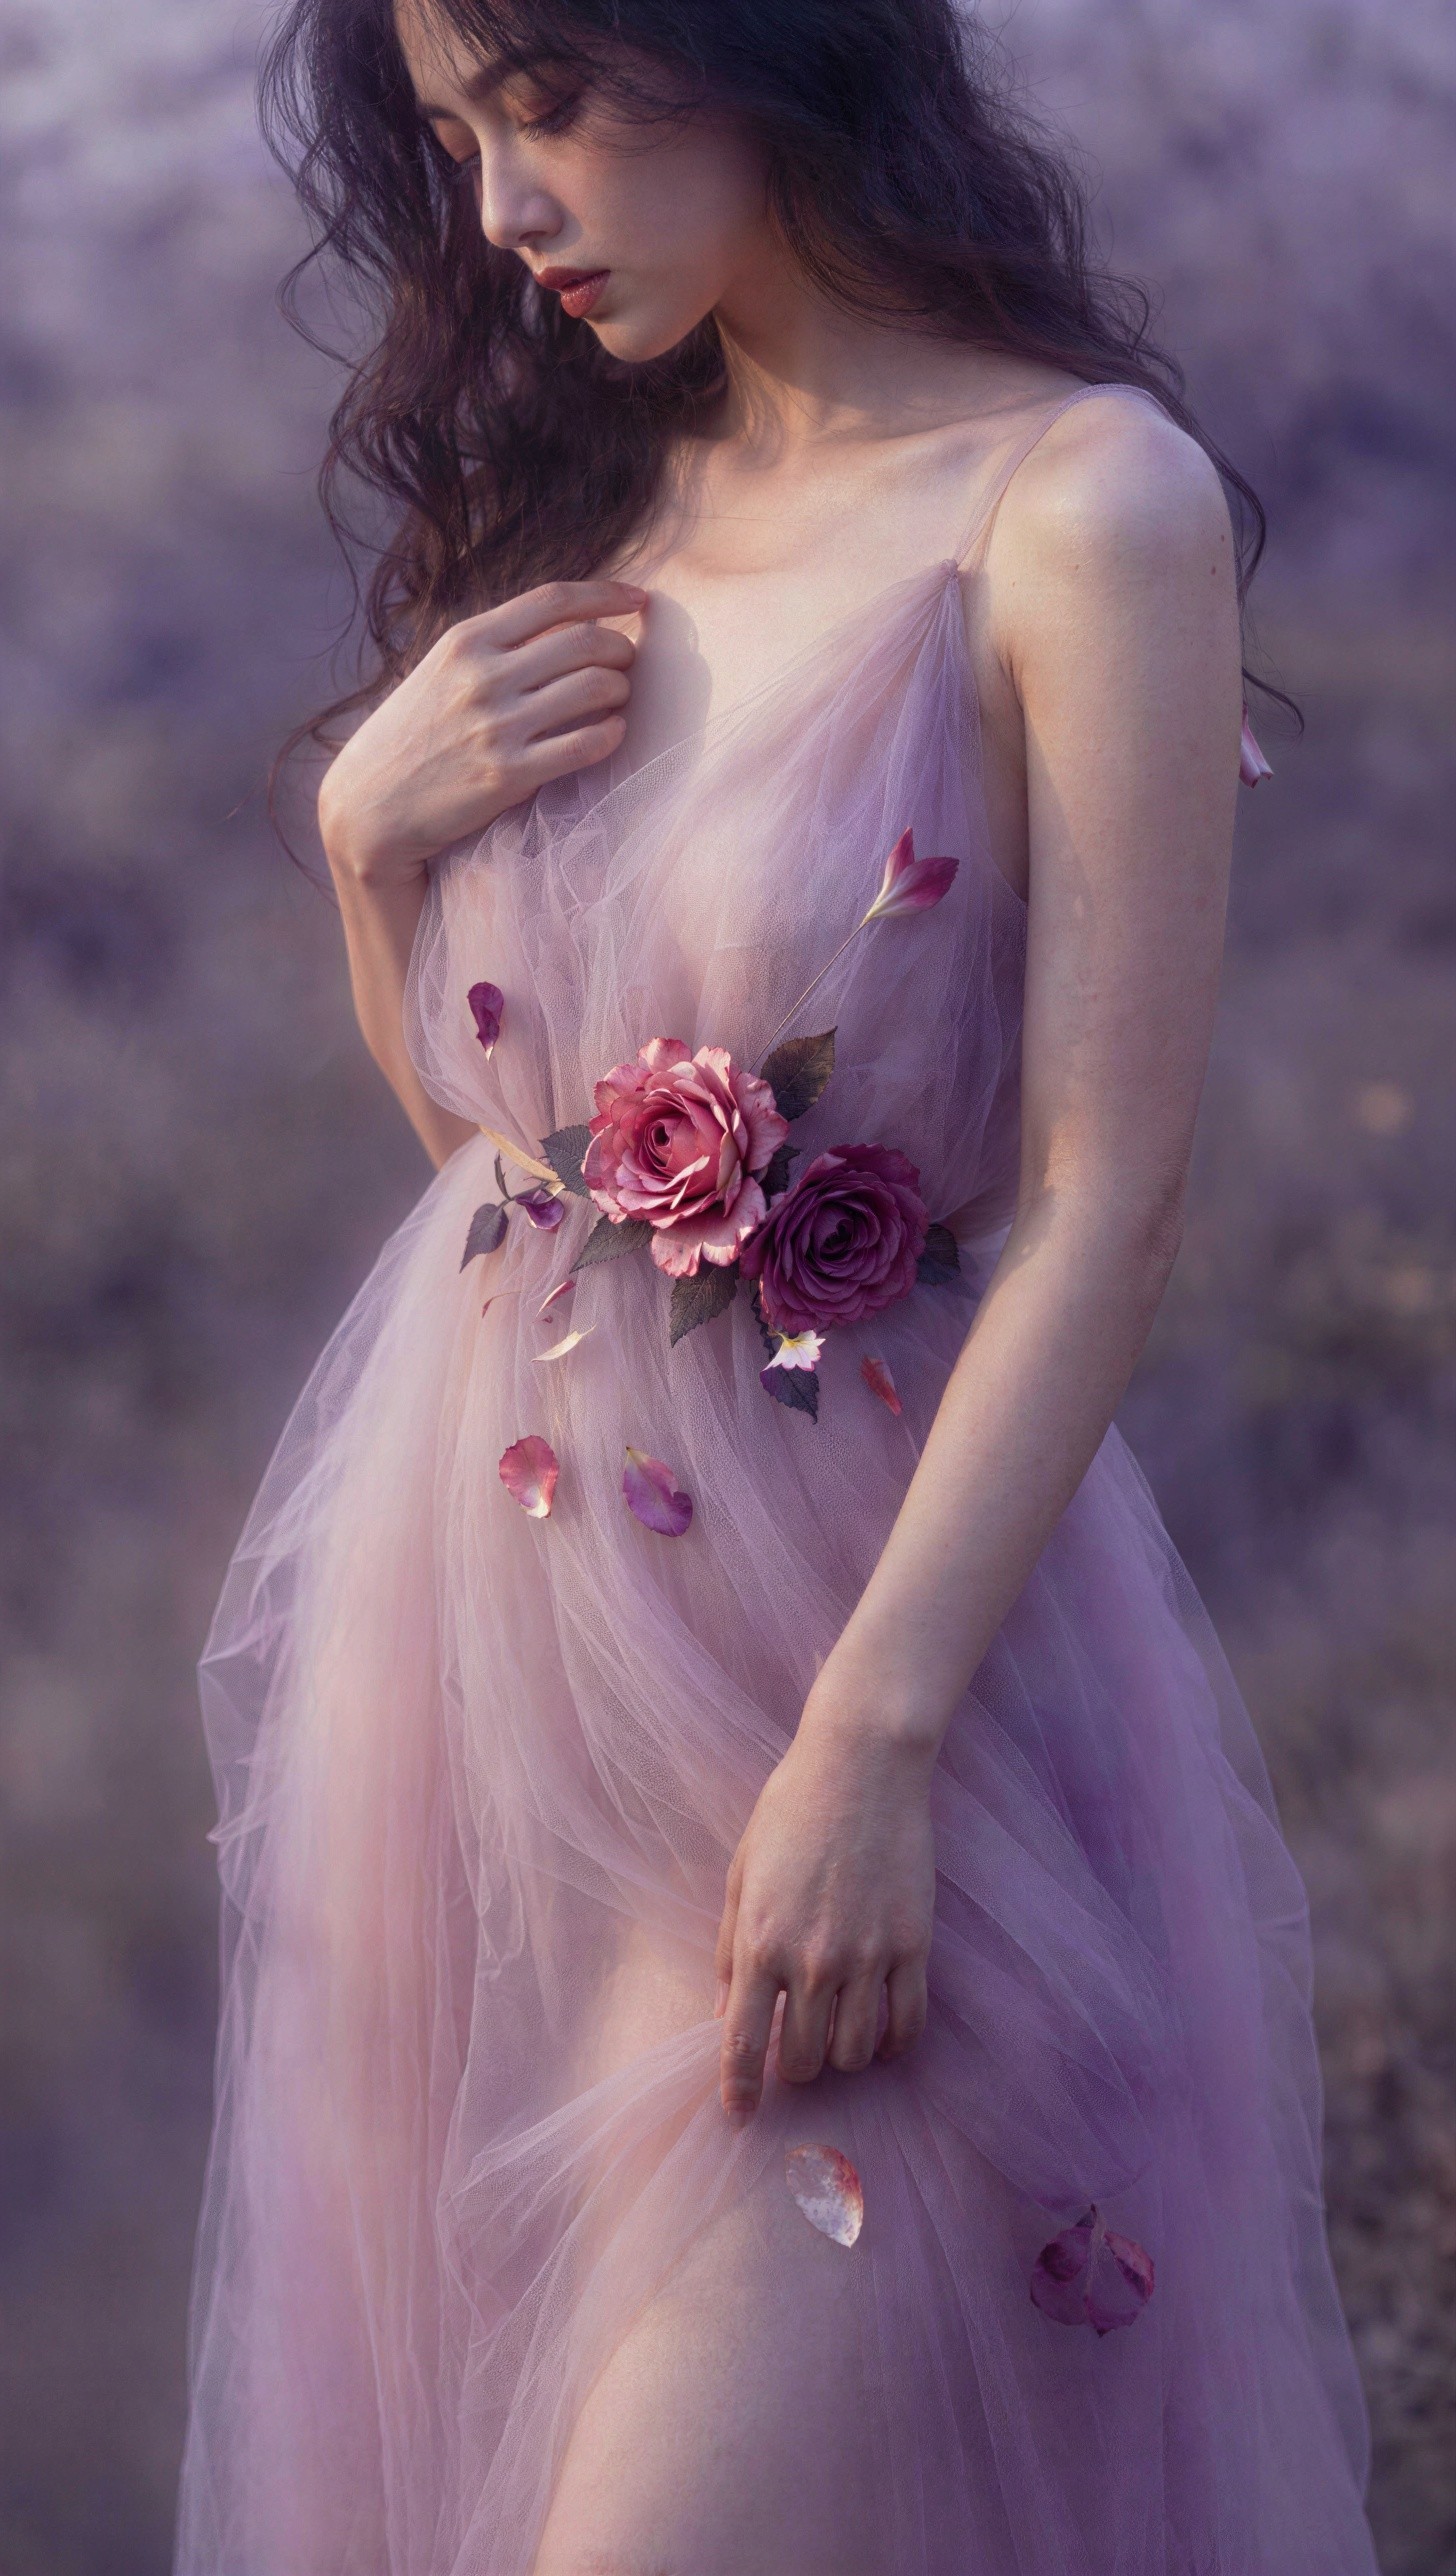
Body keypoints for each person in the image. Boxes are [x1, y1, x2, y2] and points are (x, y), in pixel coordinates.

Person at [174, 1, 1379, 2569]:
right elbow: (517, 1181)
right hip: (491, 1728)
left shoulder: (1077, 503)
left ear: (768, 44)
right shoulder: (598, 516)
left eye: (553, 105)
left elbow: (1097, 1194)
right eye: (458, 137)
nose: (502, 206)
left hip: (839, 1693)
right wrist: (363, 855)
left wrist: (875, 1744)